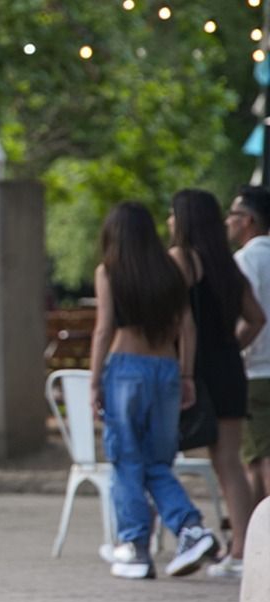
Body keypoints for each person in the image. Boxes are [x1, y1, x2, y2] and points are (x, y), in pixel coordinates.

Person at [90, 201, 220, 580]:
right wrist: (187, 376)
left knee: (127, 460)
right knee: (156, 463)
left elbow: (104, 328)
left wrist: (95, 380)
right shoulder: (170, 269)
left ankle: (134, 546)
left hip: (125, 369)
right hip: (167, 369)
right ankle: (190, 529)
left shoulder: (109, 271)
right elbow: (188, 327)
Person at [169, 188, 265, 579]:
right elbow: (256, 318)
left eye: (173, 214)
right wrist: (232, 345)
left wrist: (186, 369)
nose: (170, 222)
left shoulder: (182, 258)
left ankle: (223, 545)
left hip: (198, 369)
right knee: (230, 463)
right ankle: (241, 548)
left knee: (169, 457)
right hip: (229, 367)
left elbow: (181, 322)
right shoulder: (228, 264)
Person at [228, 185, 270, 514]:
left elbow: (249, 318)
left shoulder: (243, 261)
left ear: (248, 220)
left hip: (256, 371)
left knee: (259, 458)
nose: (227, 221)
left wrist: (231, 352)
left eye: (233, 214)